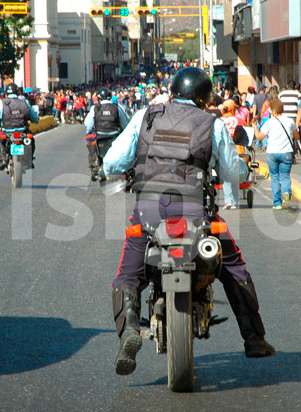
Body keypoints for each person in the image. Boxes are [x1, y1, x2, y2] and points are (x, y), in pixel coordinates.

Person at [103, 67, 276, 376]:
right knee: (233, 268)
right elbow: (233, 172)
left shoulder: (146, 116)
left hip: (148, 212)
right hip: (197, 214)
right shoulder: (213, 124)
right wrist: (246, 172)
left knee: (128, 277)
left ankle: (129, 331)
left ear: (172, 91)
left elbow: (112, 163)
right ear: (203, 98)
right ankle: (254, 339)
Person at [253, 99, 297, 209]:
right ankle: (286, 192)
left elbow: (259, 137)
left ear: (273, 111)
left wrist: (254, 126)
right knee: (285, 176)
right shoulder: (290, 121)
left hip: (272, 153)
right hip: (287, 152)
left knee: (274, 177)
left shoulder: (269, 122)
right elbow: (296, 136)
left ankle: (277, 203)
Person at [0, 83, 39, 171]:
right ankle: (29, 159)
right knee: (31, 140)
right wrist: (35, 119)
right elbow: (34, 117)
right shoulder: (24, 102)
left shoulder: (1, 103)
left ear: (6, 93)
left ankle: (3, 159)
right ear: (17, 92)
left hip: (6, 131)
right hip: (22, 131)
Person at [84, 87, 130, 181]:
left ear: (99, 98)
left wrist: (90, 131)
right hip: (114, 136)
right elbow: (126, 124)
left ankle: (94, 167)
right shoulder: (117, 107)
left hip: (99, 137)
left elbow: (88, 124)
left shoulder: (95, 108)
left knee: (90, 145)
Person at [220, 99, 245, 209]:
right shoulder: (239, 120)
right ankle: (234, 201)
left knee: (226, 175)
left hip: (223, 151)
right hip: (236, 151)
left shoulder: (219, 120)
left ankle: (228, 200)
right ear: (234, 109)